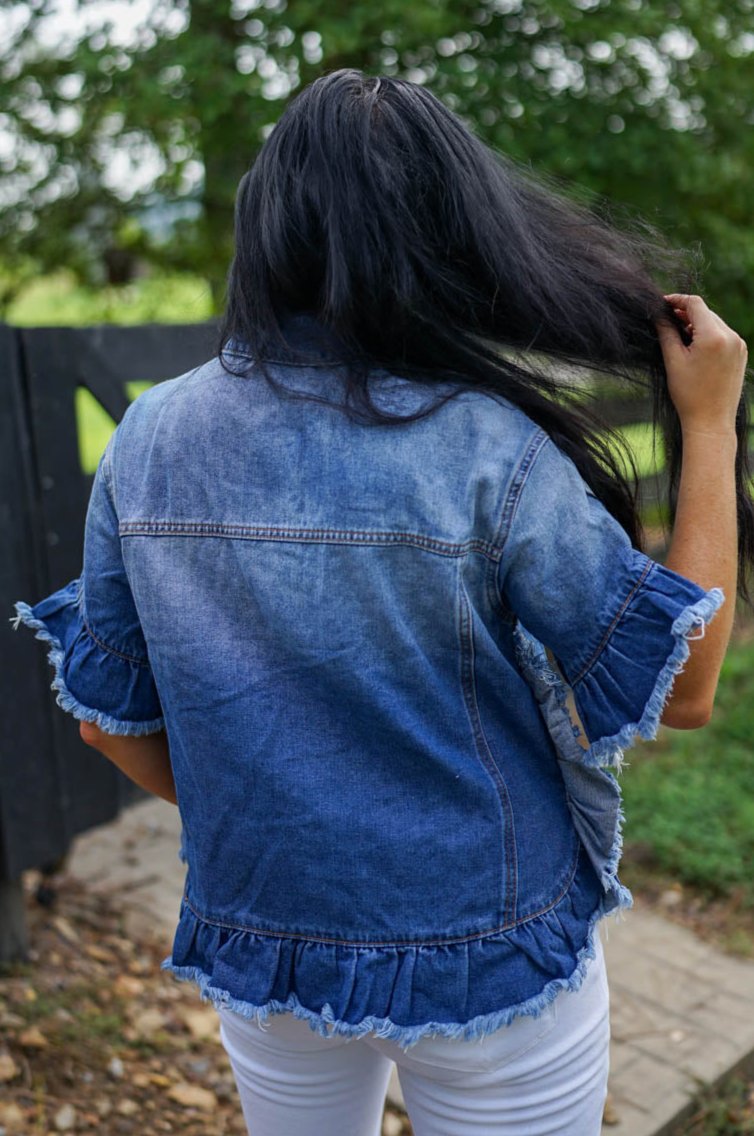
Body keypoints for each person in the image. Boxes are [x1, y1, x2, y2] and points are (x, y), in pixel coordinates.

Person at [14, 70, 751, 1136]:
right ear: (453, 234)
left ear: (263, 225)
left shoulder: (153, 436)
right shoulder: (486, 448)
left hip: (263, 938)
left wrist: (288, 819)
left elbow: (104, 719)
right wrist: (713, 424)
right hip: (486, 950)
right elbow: (684, 685)